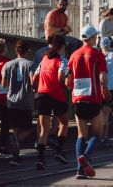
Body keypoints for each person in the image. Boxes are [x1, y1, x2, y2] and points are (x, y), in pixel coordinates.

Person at [68, 25, 110, 179]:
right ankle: (85, 157)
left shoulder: (73, 55)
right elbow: (102, 75)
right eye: (95, 37)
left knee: (81, 135)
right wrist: (105, 88)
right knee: (97, 134)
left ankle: (80, 170)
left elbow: (68, 80)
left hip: (78, 99)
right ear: (92, 38)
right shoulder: (97, 54)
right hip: (93, 98)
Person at [33, 35, 70, 169]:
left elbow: (34, 79)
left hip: (42, 95)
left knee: (44, 129)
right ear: (61, 46)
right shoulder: (63, 60)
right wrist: (64, 85)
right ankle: (59, 151)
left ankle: (40, 159)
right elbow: (61, 77)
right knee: (64, 122)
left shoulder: (44, 59)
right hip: (56, 95)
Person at [1, 40, 35, 166]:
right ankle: (17, 141)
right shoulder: (31, 64)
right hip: (25, 101)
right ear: (28, 51)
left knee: (14, 129)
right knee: (27, 128)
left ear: (16, 51)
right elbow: (33, 82)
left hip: (11, 102)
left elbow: (3, 84)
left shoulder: (7, 65)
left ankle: (15, 157)